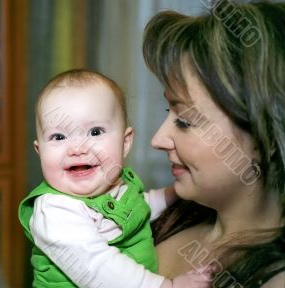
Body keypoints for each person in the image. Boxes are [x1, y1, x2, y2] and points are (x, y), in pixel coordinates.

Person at [19, 69, 211, 287]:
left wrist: (173, 193)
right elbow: (98, 269)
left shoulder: (118, 187)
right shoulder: (55, 210)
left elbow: (136, 208)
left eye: (95, 132)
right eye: (59, 137)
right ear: (39, 151)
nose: (77, 148)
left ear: (125, 142)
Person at [141, 0, 285, 287]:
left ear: (263, 136)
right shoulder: (161, 218)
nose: (157, 140)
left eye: (185, 121)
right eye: (169, 112)